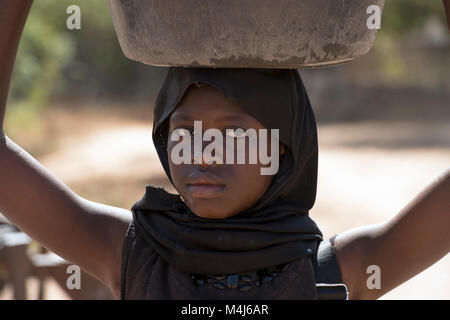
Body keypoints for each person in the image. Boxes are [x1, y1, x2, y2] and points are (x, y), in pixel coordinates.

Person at [0, 0, 449, 300]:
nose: (203, 155)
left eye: (231, 136)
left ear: (284, 149)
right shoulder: (135, 257)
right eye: (183, 133)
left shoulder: (337, 273)